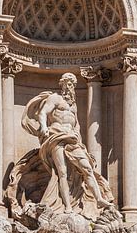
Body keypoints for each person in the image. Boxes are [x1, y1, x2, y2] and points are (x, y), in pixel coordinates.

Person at [22, 73, 112, 217]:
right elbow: (43, 113)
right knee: (62, 173)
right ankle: (67, 206)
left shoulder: (73, 105)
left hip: (72, 139)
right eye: (68, 83)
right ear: (62, 84)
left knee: (87, 168)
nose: (70, 87)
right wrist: (44, 127)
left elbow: (76, 125)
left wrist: (80, 141)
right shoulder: (55, 98)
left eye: (73, 84)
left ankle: (99, 199)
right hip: (56, 136)